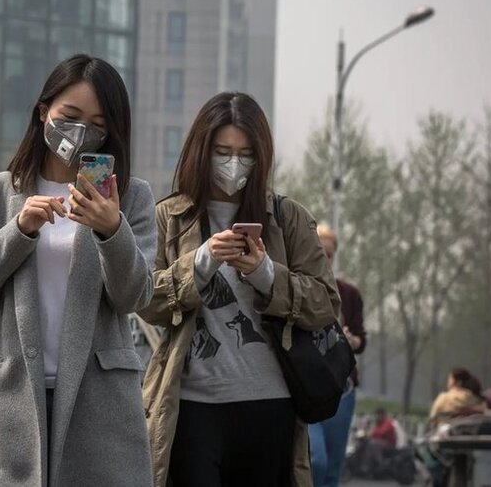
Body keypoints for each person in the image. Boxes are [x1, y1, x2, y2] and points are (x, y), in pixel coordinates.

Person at [0, 54, 156, 486]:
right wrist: (18, 230)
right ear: (43, 111)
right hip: (10, 394)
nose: (80, 133)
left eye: (97, 124)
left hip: (98, 399)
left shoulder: (130, 197)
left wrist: (111, 229)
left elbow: (134, 296)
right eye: (69, 116)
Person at [138, 92, 340, 487]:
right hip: (193, 406)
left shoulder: (288, 218)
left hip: (270, 405)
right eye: (223, 151)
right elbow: (145, 299)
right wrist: (201, 262)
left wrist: (266, 274)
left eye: (246, 154)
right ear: (202, 150)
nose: (234, 164)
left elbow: (325, 303)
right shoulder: (169, 216)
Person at [308, 224, 367, 487]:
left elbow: (360, 338)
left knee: (333, 467)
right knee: (315, 459)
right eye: (320, 252)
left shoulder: (349, 294)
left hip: (342, 389)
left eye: (329, 254)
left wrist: (350, 340)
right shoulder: (297, 287)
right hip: (305, 387)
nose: (325, 259)